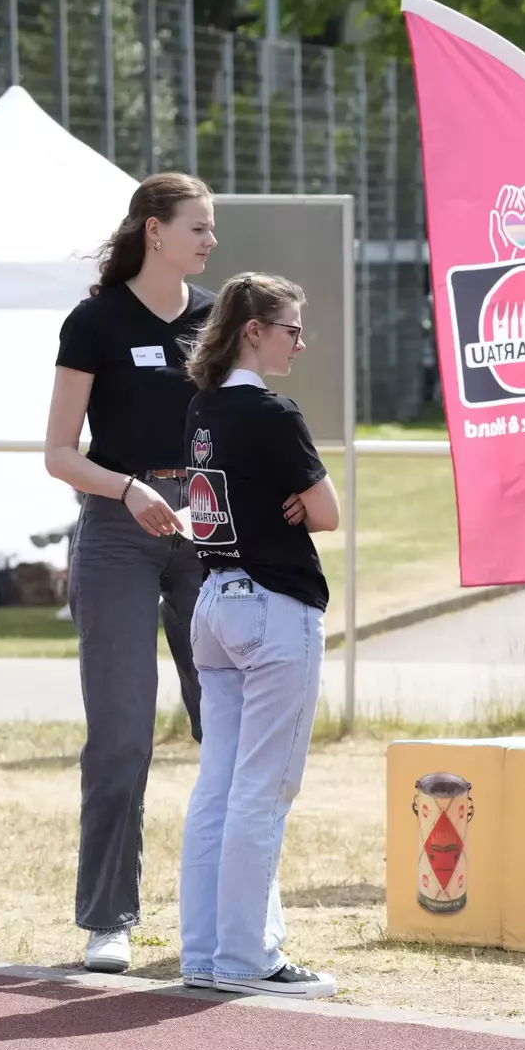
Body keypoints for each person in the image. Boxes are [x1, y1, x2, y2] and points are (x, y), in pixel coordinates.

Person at [44, 172, 217, 974]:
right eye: (198, 227)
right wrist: (128, 489)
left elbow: (243, 423)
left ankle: (232, 914)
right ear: (154, 230)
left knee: (224, 728)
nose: (210, 242)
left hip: (208, 531)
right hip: (117, 530)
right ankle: (108, 917)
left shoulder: (217, 320)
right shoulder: (94, 322)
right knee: (120, 737)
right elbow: (58, 455)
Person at [178, 272, 341, 997]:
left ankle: (206, 951)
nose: (299, 344)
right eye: (291, 331)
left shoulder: (203, 407)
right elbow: (328, 511)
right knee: (262, 789)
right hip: (272, 603)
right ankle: (249, 958)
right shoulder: (274, 412)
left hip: (213, 599)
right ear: (254, 330)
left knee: (219, 786)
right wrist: (299, 507)